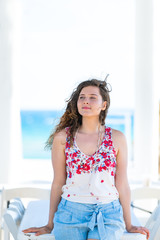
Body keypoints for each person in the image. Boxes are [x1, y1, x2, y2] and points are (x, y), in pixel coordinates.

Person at [23, 77, 150, 240]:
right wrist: (50, 223)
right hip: (70, 214)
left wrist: (129, 224)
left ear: (103, 105)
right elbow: (58, 182)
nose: (86, 101)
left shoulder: (117, 138)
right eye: (82, 97)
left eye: (92, 97)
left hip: (108, 214)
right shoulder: (63, 138)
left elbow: (122, 183)